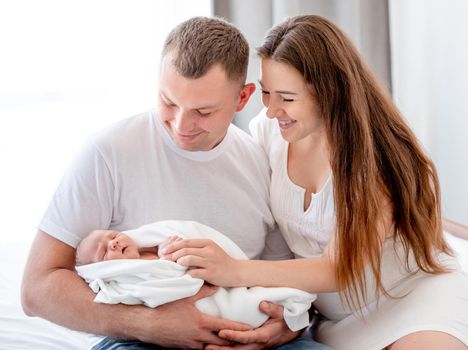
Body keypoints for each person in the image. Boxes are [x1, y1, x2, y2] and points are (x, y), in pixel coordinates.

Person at [21, 16, 329, 350]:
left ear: (242, 99)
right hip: (139, 340)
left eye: (204, 111)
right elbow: (36, 290)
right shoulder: (107, 153)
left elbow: (284, 280)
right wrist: (150, 325)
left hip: (245, 335)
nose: (181, 124)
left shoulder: (258, 161)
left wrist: (286, 326)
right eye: (168, 102)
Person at [162, 15, 468, 350]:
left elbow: (340, 269)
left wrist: (234, 270)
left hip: (410, 299)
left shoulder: (374, 157)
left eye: (287, 98)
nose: (272, 109)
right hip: (330, 318)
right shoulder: (270, 133)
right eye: (266, 92)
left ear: (327, 93)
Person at [75, 220, 315, 331]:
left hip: (231, 286)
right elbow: (166, 286)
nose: (114, 244)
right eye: (104, 251)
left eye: (112, 237)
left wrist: (171, 253)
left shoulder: (154, 246)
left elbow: (193, 248)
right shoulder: (131, 274)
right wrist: (169, 264)